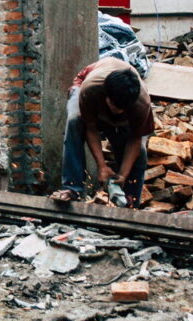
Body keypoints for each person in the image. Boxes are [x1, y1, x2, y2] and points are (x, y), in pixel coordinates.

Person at [50, 57, 154, 208]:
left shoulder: (141, 103)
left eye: (122, 108)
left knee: (141, 152)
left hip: (125, 104)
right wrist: (101, 165)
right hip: (87, 86)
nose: (118, 111)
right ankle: (72, 189)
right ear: (107, 96)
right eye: (115, 106)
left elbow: (135, 140)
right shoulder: (91, 88)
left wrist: (123, 175)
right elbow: (90, 128)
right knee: (75, 121)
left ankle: (130, 199)